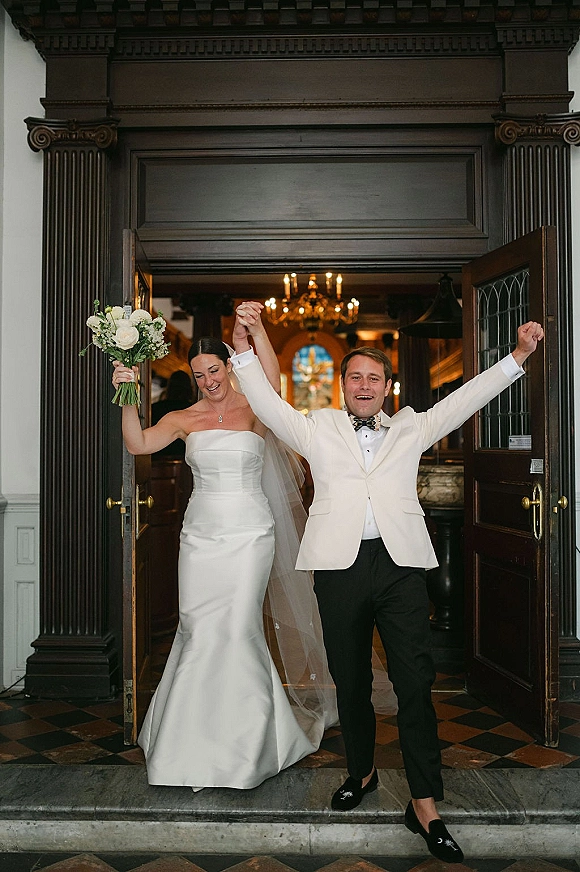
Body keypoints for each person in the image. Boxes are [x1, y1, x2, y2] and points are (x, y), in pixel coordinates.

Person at [231, 302, 544, 862]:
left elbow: (466, 397)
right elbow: (265, 404)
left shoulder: (411, 425)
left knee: (415, 683)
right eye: (355, 377)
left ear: (388, 385)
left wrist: (517, 357)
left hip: (400, 566)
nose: (365, 384)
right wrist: (244, 343)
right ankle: (362, 771)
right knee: (349, 679)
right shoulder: (317, 427)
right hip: (338, 567)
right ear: (342, 385)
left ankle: (425, 803)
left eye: (375, 377)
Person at [111, 337, 342, 789]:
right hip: (200, 537)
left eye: (214, 370)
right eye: (198, 374)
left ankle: (247, 743)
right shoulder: (182, 418)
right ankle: (187, 741)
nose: (208, 381)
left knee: (237, 629)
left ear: (229, 366)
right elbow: (138, 444)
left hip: (251, 534)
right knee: (198, 628)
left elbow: (272, 385)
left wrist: (254, 335)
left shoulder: (256, 408)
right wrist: (126, 393)